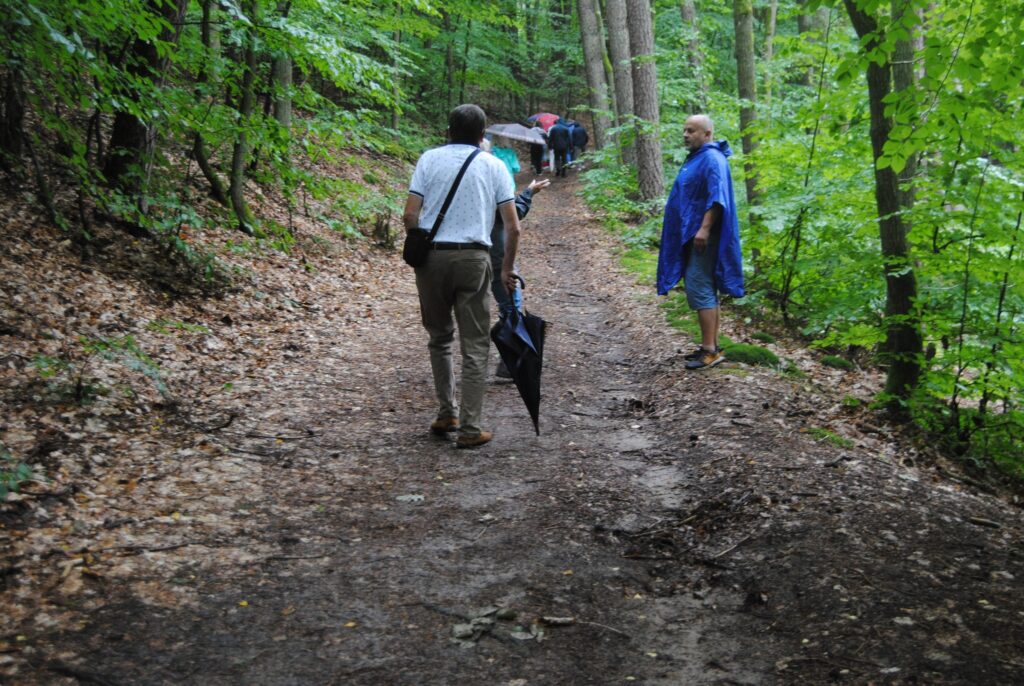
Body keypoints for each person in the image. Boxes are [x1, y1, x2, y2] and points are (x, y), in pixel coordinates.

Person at [403, 104, 522, 448]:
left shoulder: (428, 159)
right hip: (473, 257)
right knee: (475, 344)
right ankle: (471, 427)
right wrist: (506, 268)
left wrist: (420, 239)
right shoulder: (494, 165)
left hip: (432, 259)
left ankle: (446, 412)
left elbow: (411, 215)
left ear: (449, 130)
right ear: (482, 134)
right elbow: (513, 228)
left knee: (439, 337)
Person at [656, 114, 744, 370]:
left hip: (705, 237)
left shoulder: (712, 159)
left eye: (692, 131)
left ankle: (709, 352)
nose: (685, 134)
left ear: (707, 134)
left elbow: (717, 199)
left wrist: (704, 229)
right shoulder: (701, 158)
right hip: (694, 234)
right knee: (705, 286)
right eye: (684, 130)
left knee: (698, 286)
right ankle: (712, 347)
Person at [489, 176, 550, 379]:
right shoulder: (491, 178)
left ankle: (499, 362)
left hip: (465, 254)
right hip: (496, 255)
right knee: (510, 306)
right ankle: (512, 362)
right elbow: (514, 215)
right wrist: (529, 193)